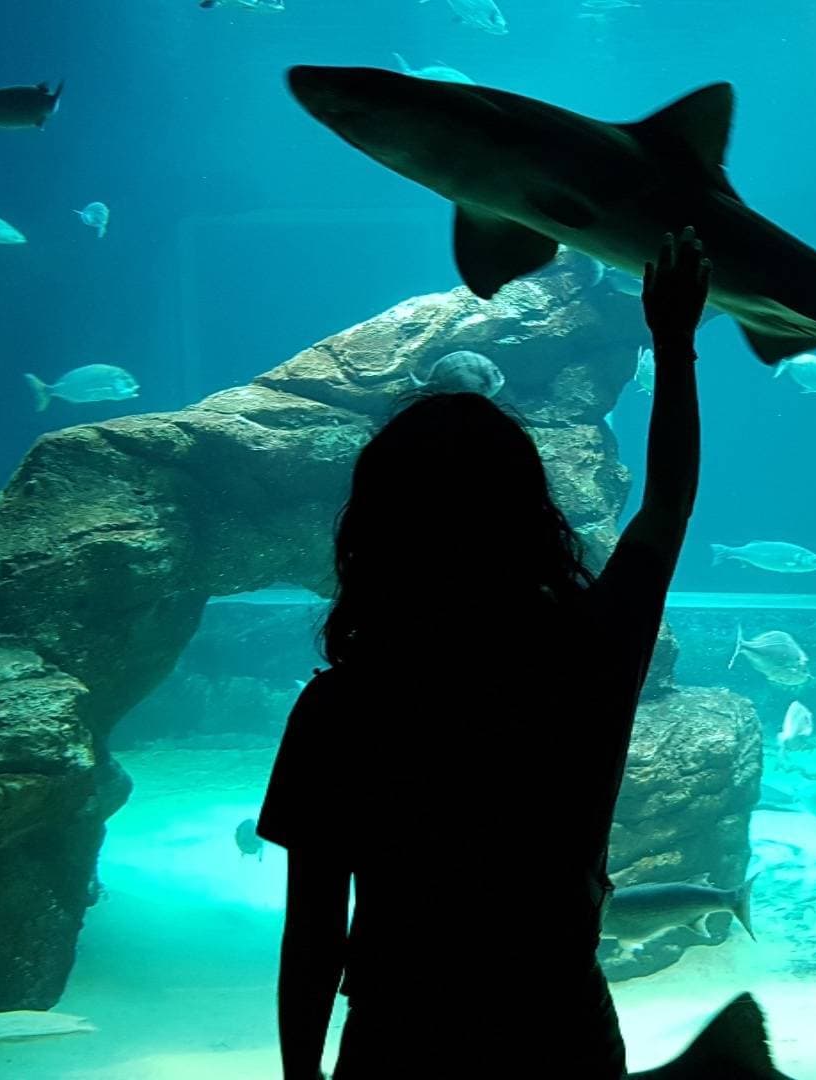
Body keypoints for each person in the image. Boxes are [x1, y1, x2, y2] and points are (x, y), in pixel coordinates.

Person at [261, 230, 784, 1079]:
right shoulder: (586, 658)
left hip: (403, 1036)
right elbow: (667, 506)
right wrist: (674, 341)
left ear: (373, 533)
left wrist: (298, 1078)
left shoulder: (341, 707)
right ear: (528, 517)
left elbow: (314, 928)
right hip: (554, 1026)